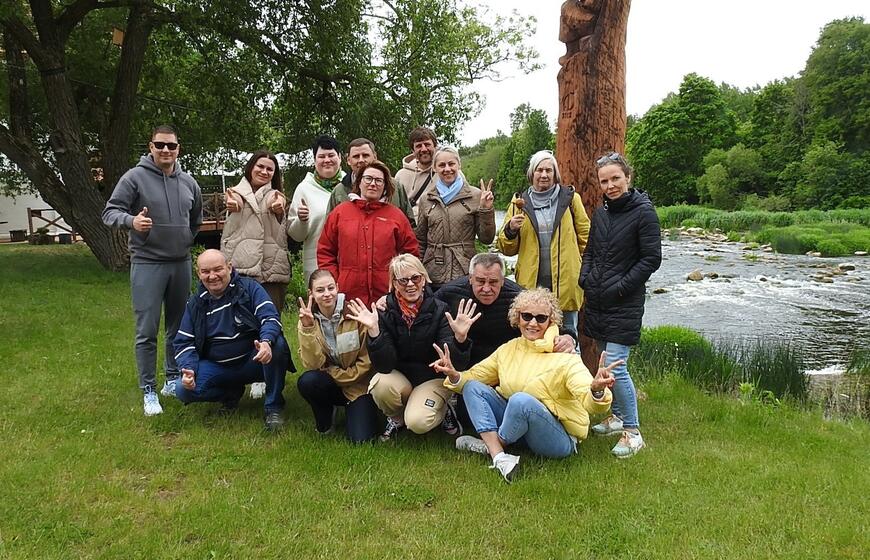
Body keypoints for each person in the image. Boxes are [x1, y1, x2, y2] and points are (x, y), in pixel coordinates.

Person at [431, 288, 619, 483]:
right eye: (527, 316)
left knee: (521, 400)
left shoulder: (566, 357)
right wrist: (454, 375)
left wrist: (597, 390)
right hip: (518, 429)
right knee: (472, 387)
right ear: (517, 317)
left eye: (541, 318)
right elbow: (474, 377)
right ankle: (499, 456)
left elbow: (590, 402)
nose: (532, 323)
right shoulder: (509, 349)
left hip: (558, 438)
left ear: (551, 321)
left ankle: (490, 446)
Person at [102, 124, 203, 416]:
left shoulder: (189, 183)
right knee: (147, 330)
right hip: (147, 263)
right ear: (151, 147)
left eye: (171, 145)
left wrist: (183, 239)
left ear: (178, 149)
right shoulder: (134, 178)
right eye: (160, 145)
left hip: (180, 263)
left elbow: (195, 220)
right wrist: (132, 221)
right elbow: (110, 212)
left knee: (178, 327)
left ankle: (172, 378)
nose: (165, 150)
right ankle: (148, 390)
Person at [581, 152, 662, 459]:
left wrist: (621, 287)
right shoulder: (601, 213)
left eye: (615, 178)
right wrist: (585, 278)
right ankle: (615, 417)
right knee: (605, 364)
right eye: (604, 181)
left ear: (628, 177)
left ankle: (633, 431)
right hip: (598, 300)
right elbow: (590, 251)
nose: (610, 185)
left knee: (617, 366)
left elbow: (651, 259)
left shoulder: (644, 212)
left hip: (623, 302)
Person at [346, 254, 472, 441]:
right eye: (403, 280)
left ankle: (444, 410)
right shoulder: (383, 311)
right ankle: (397, 418)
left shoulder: (440, 309)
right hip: (401, 378)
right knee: (379, 384)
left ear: (424, 279)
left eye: (415, 278)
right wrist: (375, 332)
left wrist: (460, 340)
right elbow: (384, 366)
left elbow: (455, 364)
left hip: (431, 378)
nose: (410, 284)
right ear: (394, 284)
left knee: (417, 422)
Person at [173, 250, 290, 430]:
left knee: (277, 345)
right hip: (218, 366)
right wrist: (188, 369)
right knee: (182, 389)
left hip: (253, 360)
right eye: (205, 271)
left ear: (229, 267)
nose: (212, 276)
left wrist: (266, 342)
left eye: (218, 269)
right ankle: (230, 393)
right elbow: (183, 342)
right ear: (198, 274)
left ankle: (273, 407)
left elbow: (270, 317)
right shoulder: (195, 304)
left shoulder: (250, 288)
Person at [496, 150, 590, 337]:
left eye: (549, 170)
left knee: (568, 335)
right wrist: (510, 229)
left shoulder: (571, 199)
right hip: (531, 284)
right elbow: (506, 248)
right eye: (540, 170)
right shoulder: (518, 203)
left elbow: (586, 237)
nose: (544, 175)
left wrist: (581, 267)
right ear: (532, 173)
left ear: (555, 174)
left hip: (566, 283)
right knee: (531, 336)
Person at [221, 151, 289, 400]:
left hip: (271, 270)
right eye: (260, 166)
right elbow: (231, 205)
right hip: (240, 268)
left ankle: (265, 378)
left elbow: (279, 208)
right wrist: (231, 205)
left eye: (270, 169)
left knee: (270, 326)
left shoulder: (276, 196)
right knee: (238, 326)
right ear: (250, 167)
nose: (264, 171)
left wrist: (279, 209)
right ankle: (236, 378)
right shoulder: (234, 194)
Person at [435, 252, 577, 365]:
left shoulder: (517, 296)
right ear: (470, 278)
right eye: (480, 281)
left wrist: (568, 337)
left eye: (493, 282)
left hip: (509, 364)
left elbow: (549, 321)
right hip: (465, 362)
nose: (486, 288)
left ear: (503, 281)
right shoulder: (449, 293)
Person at [317, 160, 419, 307]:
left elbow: (410, 255)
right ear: (359, 182)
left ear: (385, 186)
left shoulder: (396, 216)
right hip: (347, 296)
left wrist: (399, 284)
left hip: (387, 297)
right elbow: (325, 251)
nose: (373, 184)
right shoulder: (340, 213)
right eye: (368, 179)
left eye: (379, 180)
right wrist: (334, 281)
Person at [296, 269, 380, 442]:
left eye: (330, 288)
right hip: (328, 383)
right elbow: (312, 365)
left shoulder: (355, 313)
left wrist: (335, 374)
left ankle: (358, 409)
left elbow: (367, 362)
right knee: (308, 381)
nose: (327, 294)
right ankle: (325, 418)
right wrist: (308, 329)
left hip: (358, 385)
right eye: (320, 290)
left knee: (361, 440)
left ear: (337, 288)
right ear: (311, 293)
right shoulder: (307, 319)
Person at [416, 146, 495, 290]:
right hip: (433, 271)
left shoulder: (476, 195)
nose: (447, 169)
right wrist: (419, 272)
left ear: (459, 165)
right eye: (442, 165)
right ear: (434, 168)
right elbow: (421, 241)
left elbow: (486, 239)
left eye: (451, 164)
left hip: (464, 270)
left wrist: (486, 209)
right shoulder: (426, 199)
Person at [287, 135, 345, 282]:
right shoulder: (304, 188)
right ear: (314, 160)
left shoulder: (351, 185)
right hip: (316, 263)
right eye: (321, 156)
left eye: (331, 155)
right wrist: (302, 220)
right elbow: (296, 236)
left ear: (340, 157)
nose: (327, 160)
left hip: (349, 262)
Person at [326, 138, 415, 226]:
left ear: (375, 157)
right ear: (348, 160)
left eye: (365, 155)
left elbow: (410, 224)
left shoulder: (395, 187)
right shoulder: (339, 192)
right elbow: (329, 227)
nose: (361, 160)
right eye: (356, 156)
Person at [394, 126, 437, 218]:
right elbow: (394, 208)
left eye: (427, 144)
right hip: (410, 225)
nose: (424, 149)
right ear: (413, 151)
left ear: (435, 146)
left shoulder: (447, 172)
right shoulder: (401, 176)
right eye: (418, 146)